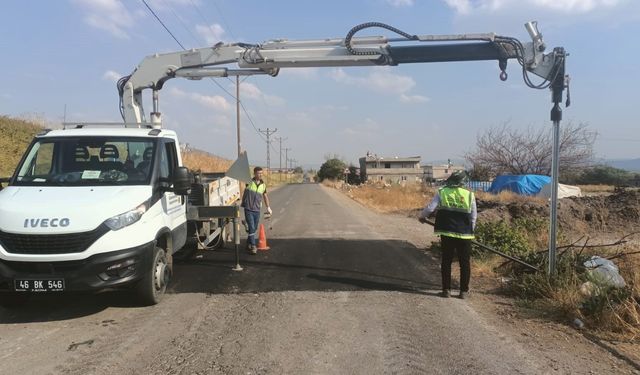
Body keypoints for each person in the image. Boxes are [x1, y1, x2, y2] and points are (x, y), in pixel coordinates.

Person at [418, 171, 477, 299]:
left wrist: (422, 217)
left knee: (446, 261)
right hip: (465, 235)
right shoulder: (469, 195)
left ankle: (446, 290)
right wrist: (470, 230)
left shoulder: (442, 192)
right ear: (463, 182)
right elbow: (473, 217)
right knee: (464, 263)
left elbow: (430, 208)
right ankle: (464, 292)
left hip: (447, 232)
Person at [241, 167, 272, 254]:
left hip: (257, 210)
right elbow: (244, 192)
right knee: (251, 227)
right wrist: (243, 203)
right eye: (258, 173)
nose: (260, 175)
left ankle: (248, 243)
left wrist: (268, 207)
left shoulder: (263, 185)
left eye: (261, 173)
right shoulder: (249, 182)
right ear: (254, 174)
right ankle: (253, 246)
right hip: (248, 209)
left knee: (254, 228)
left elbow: (265, 196)